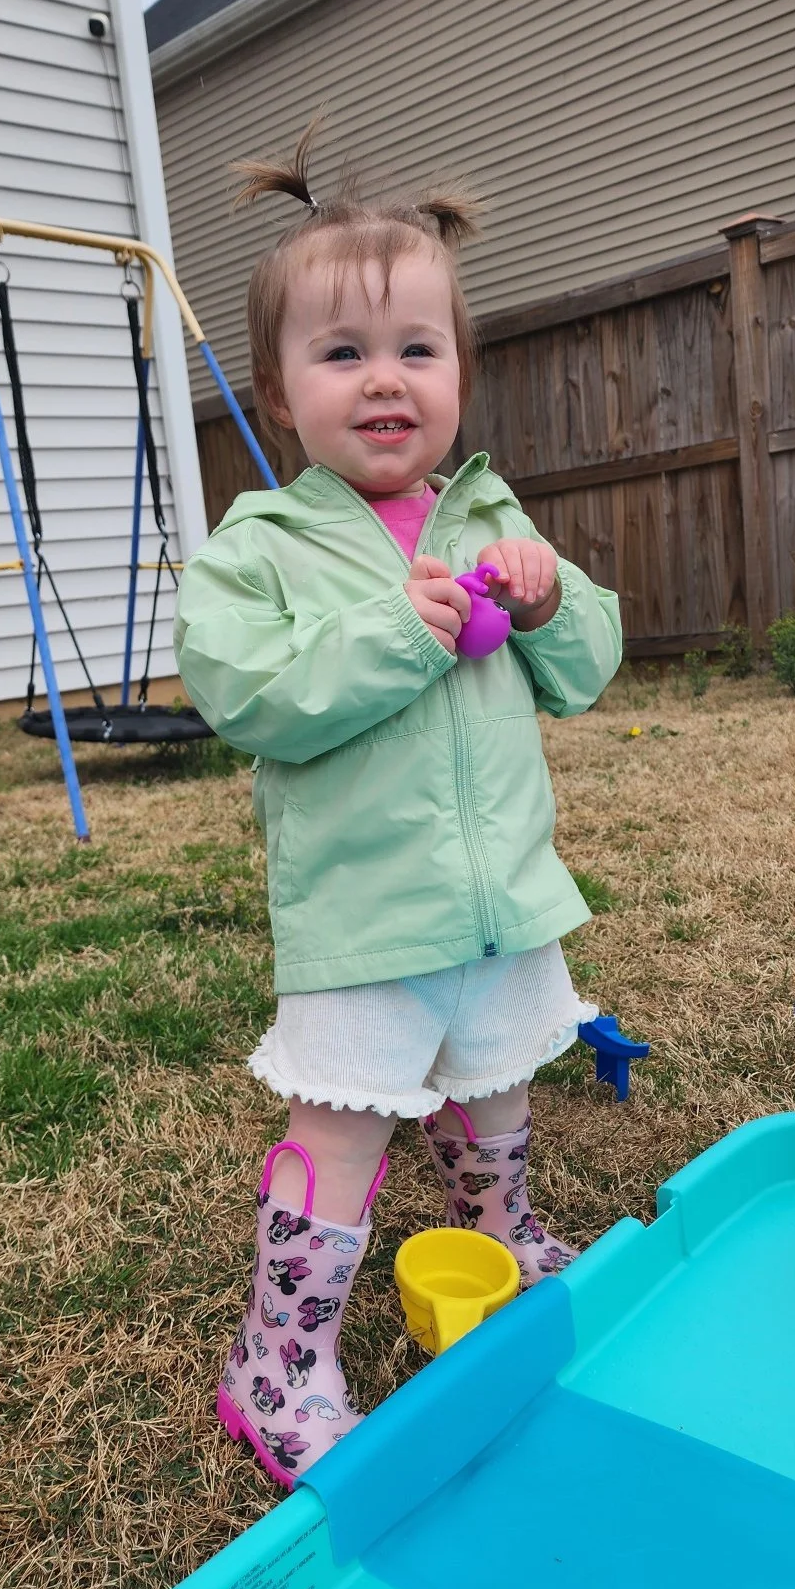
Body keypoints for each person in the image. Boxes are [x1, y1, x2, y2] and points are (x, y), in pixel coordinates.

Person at [174, 122, 623, 1487]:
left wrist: (551, 599)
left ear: (461, 376)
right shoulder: (261, 546)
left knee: (498, 1076)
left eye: (418, 350)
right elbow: (253, 694)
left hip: (502, 895)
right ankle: (276, 1361)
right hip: (364, 906)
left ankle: (505, 1234)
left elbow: (585, 672)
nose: (386, 380)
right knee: (345, 1119)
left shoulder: (488, 516)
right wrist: (409, 636)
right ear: (279, 388)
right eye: (343, 352)